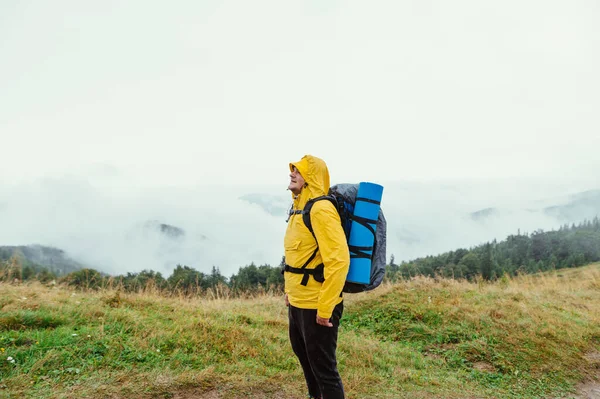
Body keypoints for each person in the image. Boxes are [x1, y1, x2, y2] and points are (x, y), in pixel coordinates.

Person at [283, 154, 350, 399]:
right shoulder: (298, 208)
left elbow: (339, 261)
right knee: (307, 361)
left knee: (324, 369)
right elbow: (295, 256)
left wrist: (325, 308)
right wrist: (288, 293)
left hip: (317, 304)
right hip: (299, 301)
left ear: (310, 177)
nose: (292, 174)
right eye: (292, 170)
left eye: (298, 171)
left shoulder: (321, 209)